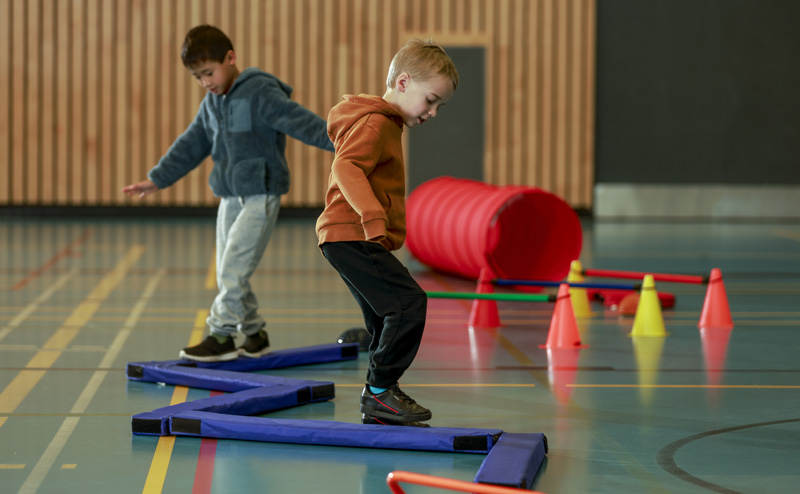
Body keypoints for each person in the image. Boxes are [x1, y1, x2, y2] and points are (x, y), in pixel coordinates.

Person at [123, 25, 334, 362]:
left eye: (209, 72)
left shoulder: (259, 92)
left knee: (234, 267)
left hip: (260, 195)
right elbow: (192, 143)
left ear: (230, 58)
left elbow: (300, 121)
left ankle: (221, 334)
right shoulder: (212, 104)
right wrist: (157, 179)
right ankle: (254, 333)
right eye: (197, 77)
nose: (205, 82)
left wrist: (342, 141)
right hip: (229, 197)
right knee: (229, 268)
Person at [316, 39, 458, 424]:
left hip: (343, 236)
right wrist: (373, 217)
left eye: (438, 106)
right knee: (408, 304)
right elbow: (345, 168)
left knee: (384, 315)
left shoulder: (384, 122)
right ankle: (380, 391)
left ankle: (378, 396)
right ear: (403, 82)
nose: (432, 112)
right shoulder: (377, 122)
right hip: (352, 232)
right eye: (430, 100)